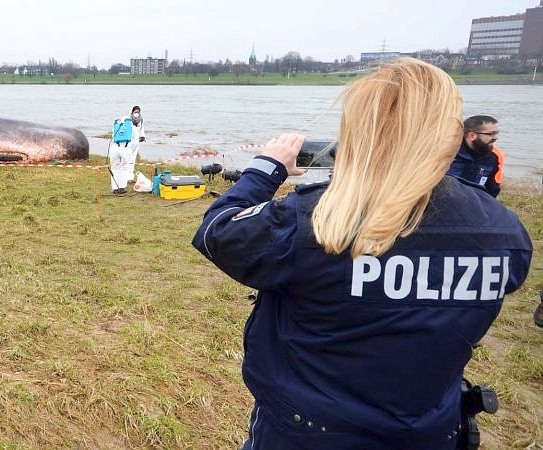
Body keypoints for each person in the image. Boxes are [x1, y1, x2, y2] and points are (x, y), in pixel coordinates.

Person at [191, 58, 532, 449]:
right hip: (431, 430)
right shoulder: (503, 231)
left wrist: (266, 169)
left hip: (307, 432)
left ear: (357, 129)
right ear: (452, 130)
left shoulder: (314, 220)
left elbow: (219, 232)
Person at [447, 115, 504, 197]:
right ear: (472, 136)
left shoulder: (493, 157)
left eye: (496, 133)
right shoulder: (448, 153)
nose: (496, 138)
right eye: (491, 134)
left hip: (471, 204)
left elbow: (492, 189)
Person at [108, 105, 146, 194]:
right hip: (126, 149)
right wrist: (130, 150)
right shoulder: (132, 127)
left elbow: (113, 138)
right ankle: (121, 187)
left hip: (114, 149)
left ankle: (115, 188)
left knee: (115, 169)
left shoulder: (117, 126)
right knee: (124, 168)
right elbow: (136, 142)